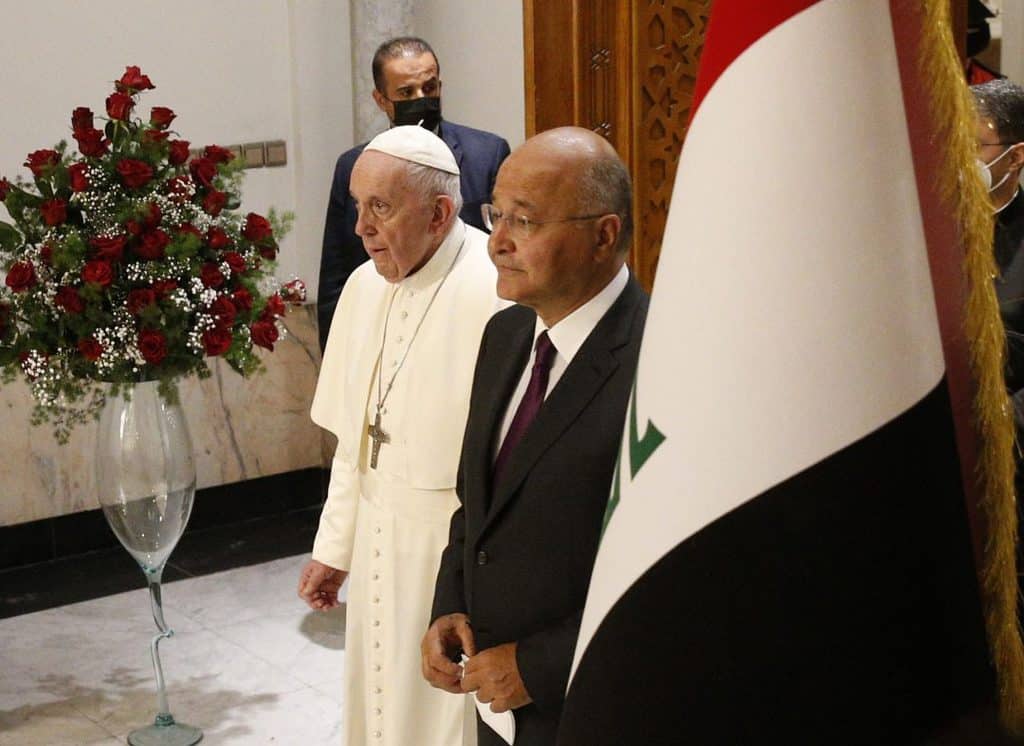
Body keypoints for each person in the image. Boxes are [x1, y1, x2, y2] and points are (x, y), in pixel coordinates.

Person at [421, 127, 648, 746]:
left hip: (599, 708)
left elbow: (678, 574)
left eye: (525, 220)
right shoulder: (506, 336)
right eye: (496, 213)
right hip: (497, 707)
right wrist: (450, 603)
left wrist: (543, 665)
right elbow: (480, 505)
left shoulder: (663, 361)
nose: (496, 241)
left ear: (603, 235)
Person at [299, 125, 499, 746]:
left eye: (379, 207)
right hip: (381, 539)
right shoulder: (362, 289)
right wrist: (335, 547)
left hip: (452, 552)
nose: (361, 227)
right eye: (357, 206)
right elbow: (357, 446)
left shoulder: (497, 291)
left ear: (440, 213)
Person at [317, 36, 510, 351]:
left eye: (430, 88)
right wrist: (335, 359)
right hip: (388, 322)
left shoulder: (487, 153)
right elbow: (337, 272)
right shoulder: (354, 166)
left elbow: (504, 247)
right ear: (381, 100)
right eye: (406, 92)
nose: (422, 98)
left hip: (467, 319)